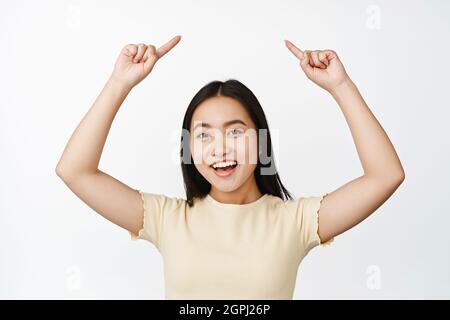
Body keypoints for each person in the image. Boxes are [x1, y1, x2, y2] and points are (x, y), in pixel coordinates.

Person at [55, 35, 405, 299]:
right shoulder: (167, 219)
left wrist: (341, 86)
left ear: (262, 142)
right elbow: (75, 170)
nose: (220, 149)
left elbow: (385, 175)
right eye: (203, 135)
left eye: (235, 131)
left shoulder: (295, 221)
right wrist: (119, 83)